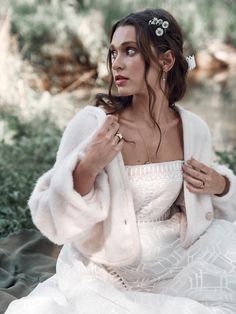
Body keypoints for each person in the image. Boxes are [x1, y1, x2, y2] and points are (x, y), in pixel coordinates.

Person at [5, 8, 236, 314]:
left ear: (167, 61)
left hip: (174, 253)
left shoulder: (194, 129)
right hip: (106, 266)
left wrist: (222, 186)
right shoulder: (94, 124)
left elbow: (203, 206)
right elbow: (51, 217)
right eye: (114, 52)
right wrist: (88, 164)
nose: (117, 63)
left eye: (130, 51)